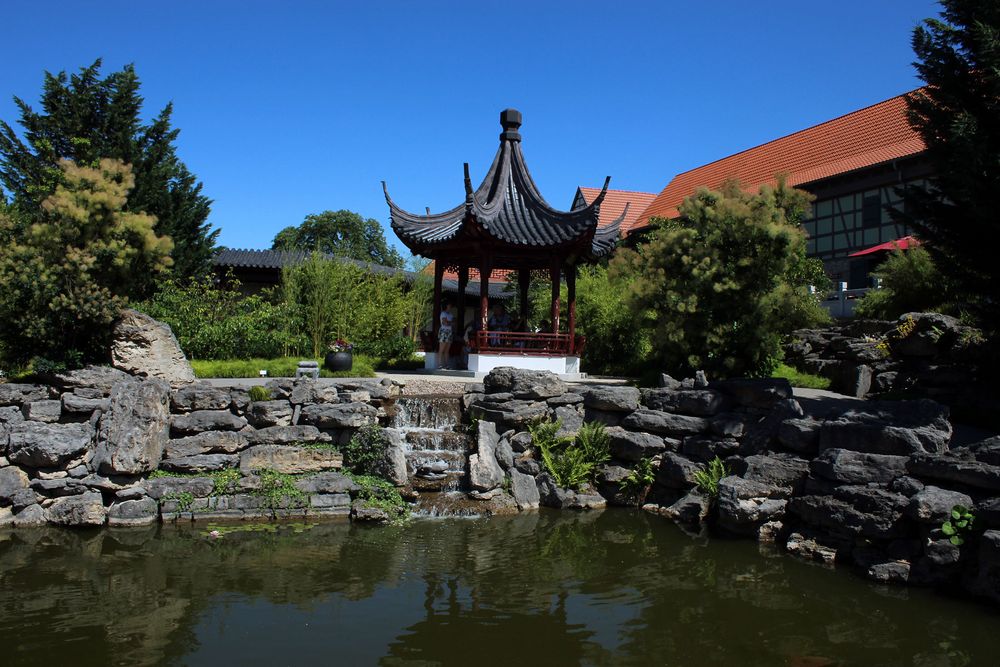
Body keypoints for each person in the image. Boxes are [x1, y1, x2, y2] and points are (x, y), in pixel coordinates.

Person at [437, 300, 455, 370]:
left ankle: (447, 365)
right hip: (444, 332)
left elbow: (452, 323)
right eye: (449, 305)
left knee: (447, 350)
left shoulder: (450, 315)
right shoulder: (443, 313)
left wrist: (449, 322)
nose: (450, 306)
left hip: (449, 332)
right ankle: (439, 364)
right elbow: (445, 323)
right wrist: (450, 322)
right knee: (441, 349)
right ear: (446, 306)